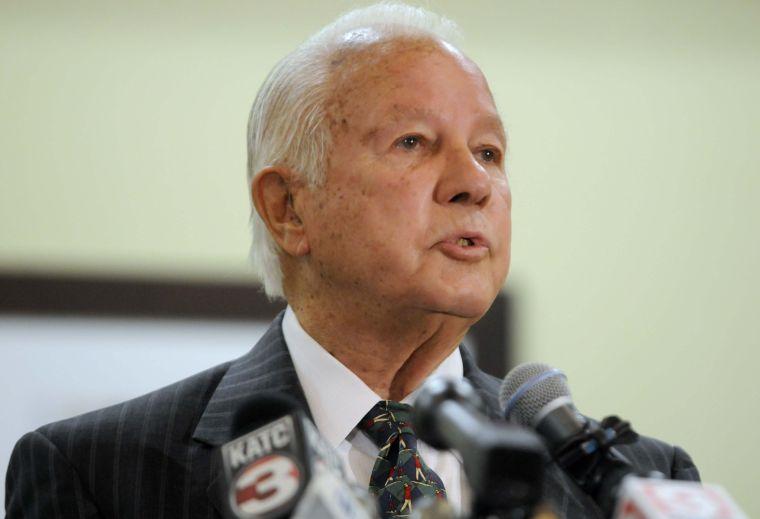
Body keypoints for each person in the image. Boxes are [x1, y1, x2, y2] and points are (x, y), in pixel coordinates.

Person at [5, 3, 699, 518]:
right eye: (413, 142)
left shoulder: (634, 483)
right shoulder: (96, 472)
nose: (474, 181)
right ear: (289, 209)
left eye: (489, 150)